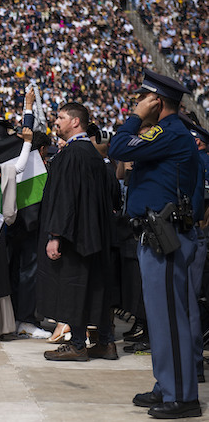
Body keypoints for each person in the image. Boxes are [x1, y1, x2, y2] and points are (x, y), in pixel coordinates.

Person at [109, 70, 203, 419]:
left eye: (143, 98)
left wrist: (135, 117)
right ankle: (167, 385)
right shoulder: (167, 134)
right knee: (161, 318)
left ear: (156, 101)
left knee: (169, 319)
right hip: (156, 236)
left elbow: (119, 147)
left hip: (166, 237)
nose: (138, 104)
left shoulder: (172, 132)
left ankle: (183, 395)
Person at [38, 102, 118, 362]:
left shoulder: (72, 154)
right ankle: (105, 342)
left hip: (76, 237)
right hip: (96, 235)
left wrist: (55, 235)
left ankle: (77, 344)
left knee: (75, 288)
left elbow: (65, 198)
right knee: (96, 288)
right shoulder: (95, 155)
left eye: (61, 117)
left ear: (75, 122)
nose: (56, 121)